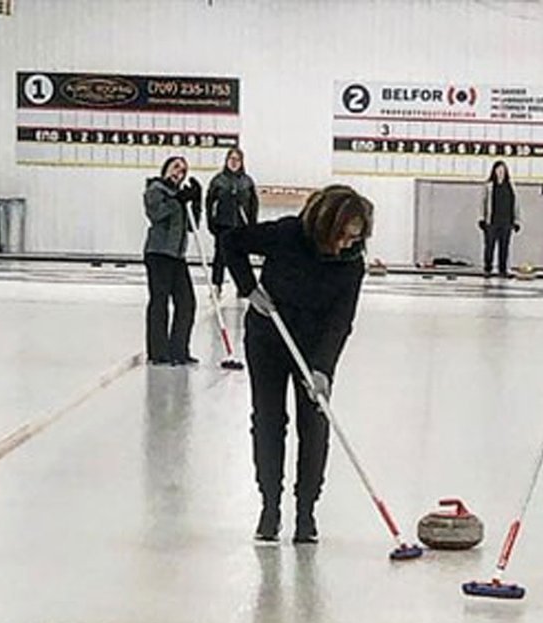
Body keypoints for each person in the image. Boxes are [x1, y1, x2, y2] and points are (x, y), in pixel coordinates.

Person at [222, 185, 372, 544]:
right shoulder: (289, 234)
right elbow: (231, 241)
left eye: (356, 238)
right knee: (269, 421)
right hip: (269, 339)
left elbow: (341, 321)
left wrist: (322, 369)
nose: (347, 245)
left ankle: (306, 511)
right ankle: (269, 507)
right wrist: (248, 288)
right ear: (326, 225)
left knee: (315, 425)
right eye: (343, 236)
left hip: (315, 349)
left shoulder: (352, 264)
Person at [143, 155, 202, 365]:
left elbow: (191, 225)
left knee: (186, 303)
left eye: (184, 170)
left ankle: (179, 350)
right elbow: (155, 214)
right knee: (160, 302)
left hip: (177, 255)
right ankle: (158, 352)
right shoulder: (155, 189)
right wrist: (176, 201)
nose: (180, 172)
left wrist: (196, 201)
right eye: (176, 167)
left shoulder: (178, 195)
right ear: (166, 168)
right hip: (158, 253)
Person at [205, 147, 259, 294]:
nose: (234, 163)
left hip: (241, 225)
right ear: (227, 161)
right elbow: (209, 203)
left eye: (237, 160)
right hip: (223, 224)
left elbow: (253, 205)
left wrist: (253, 224)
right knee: (220, 256)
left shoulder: (247, 182)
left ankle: (242, 287)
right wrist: (210, 221)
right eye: (232, 159)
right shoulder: (218, 181)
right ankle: (217, 284)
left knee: (241, 257)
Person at [479, 160, 519, 279]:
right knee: (489, 246)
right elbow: (483, 202)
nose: (500, 173)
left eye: (502, 170)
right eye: (498, 170)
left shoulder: (511, 186)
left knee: (504, 247)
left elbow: (516, 205)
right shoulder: (489, 186)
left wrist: (516, 221)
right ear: (494, 172)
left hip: (506, 221)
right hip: (492, 221)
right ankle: (488, 268)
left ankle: (503, 270)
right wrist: (482, 218)